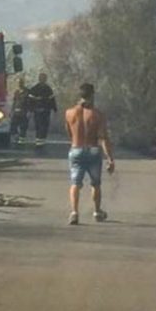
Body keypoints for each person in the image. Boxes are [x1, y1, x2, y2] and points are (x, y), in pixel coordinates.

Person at [65, 83, 115, 225]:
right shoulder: (97, 114)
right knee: (95, 184)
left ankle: (74, 212)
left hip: (76, 149)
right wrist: (110, 158)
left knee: (75, 183)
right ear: (92, 95)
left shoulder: (69, 113)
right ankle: (97, 211)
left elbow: (69, 132)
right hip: (93, 150)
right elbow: (103, 137)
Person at [29, 73, 57, 147]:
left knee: (42, 125)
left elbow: (52, 99)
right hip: (40, 110)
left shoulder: (47, 89)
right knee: (40, 125)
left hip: (44, 110)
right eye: (43, 78)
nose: (43, 80)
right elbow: (30, 99)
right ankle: (39, 140)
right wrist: (30, 109)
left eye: (44, 78)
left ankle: (40, 140)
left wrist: (54, 109)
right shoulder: (36, 88)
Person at [10, 77, 30, 144]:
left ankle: (21, 142)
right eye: (18, 83)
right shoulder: (16, 92)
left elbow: (30, 102)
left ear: (23, 83)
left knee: (23, 128)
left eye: (21, 82)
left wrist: (29, 111)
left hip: (24, 112)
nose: (19, 84)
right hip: (16, 112)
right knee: (13, 126)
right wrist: (11, 111)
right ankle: (16, 137)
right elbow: (14, 101)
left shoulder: (27, 91)